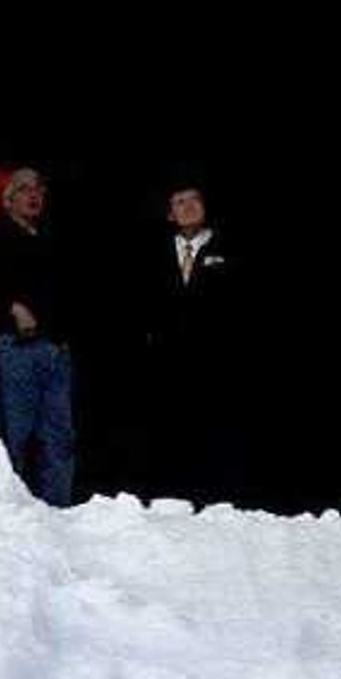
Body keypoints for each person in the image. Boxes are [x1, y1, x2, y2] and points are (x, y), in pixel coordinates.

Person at [139, 181, 242, 504]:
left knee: (216, 439)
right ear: (170, 214)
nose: (188, 206)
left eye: (194, 199)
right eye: (179, 201)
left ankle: (217, 502)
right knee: (169, 437)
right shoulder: (152, 253)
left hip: (216, 364)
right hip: (166, 365)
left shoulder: (229, 249)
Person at [0, 166, 77, 504]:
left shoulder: (50, 237)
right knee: (15, 437)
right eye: (23, 189)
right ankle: (13, 513)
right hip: (17, 348)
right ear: (8, 199)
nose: (33, 194)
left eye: (38, 188)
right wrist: (12, 307)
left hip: (54, 348)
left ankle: (58, 511)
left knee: (59, 437)